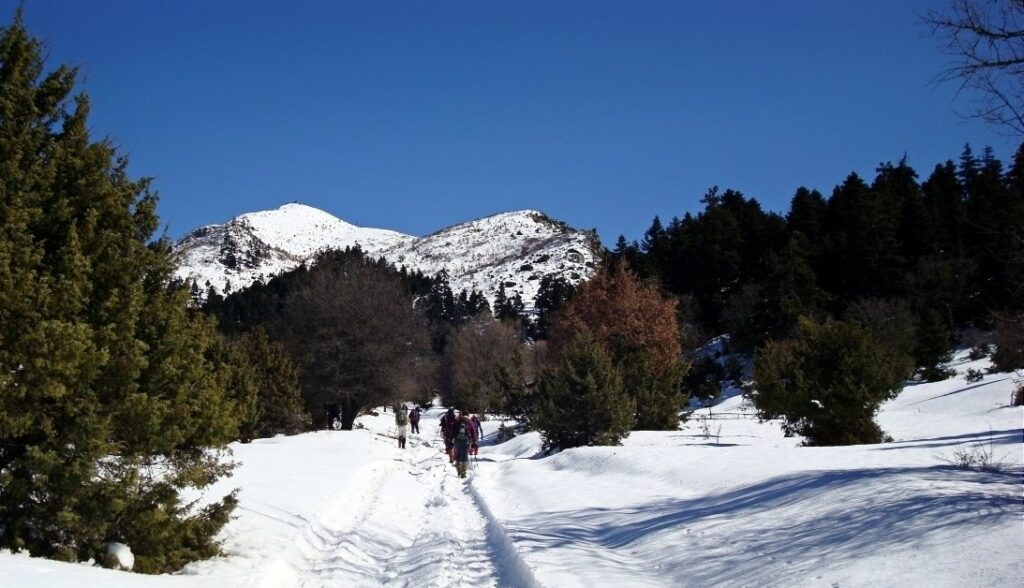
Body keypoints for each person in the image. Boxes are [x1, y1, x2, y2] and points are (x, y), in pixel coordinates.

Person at [451, 411, 478, 478]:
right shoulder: (469, 422)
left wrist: (451, 439)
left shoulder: (457, 421)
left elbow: (452, 431)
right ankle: (463, 473)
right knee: (464, 456)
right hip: (466, 441)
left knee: (458, 455)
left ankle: (458, 471)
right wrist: (474, 442)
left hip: (457, 441)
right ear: (468, 415)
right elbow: (473, 433)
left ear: (461, 414)